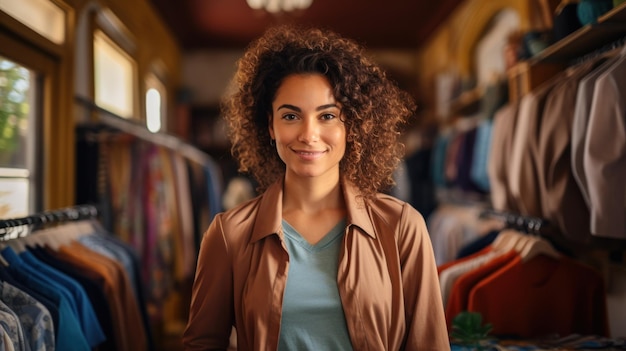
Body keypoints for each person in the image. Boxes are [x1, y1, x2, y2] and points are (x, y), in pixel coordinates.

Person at [183, 24, 450, 351]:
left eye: (327, 116)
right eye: (291, 116)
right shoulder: (229, 234)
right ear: (270, 125)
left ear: (351, 124)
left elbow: (428, 344)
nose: (309, 134)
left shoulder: (402, 227)